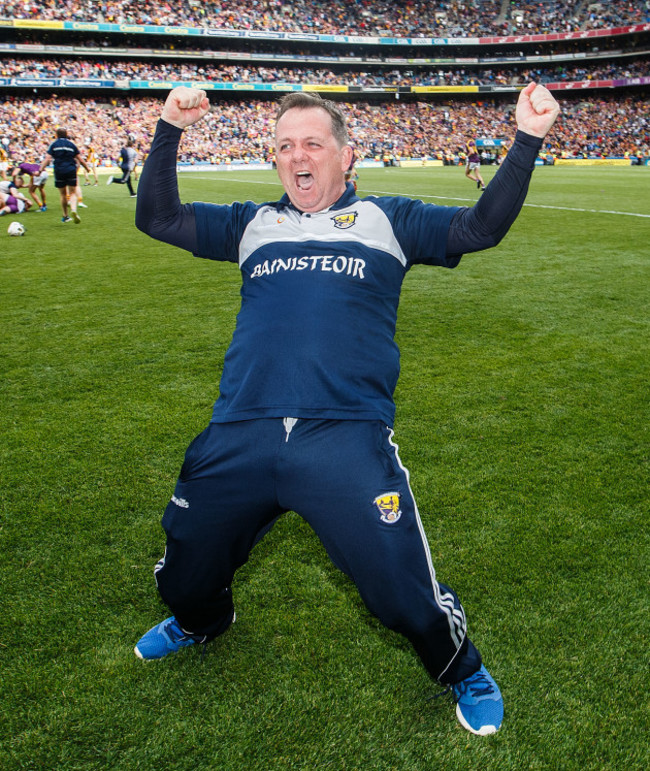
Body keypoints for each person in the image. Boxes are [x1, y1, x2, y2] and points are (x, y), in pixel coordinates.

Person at [134, 82, 559, 737]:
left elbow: (480, 226)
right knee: (185, 576)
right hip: (240, 430)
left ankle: (461, 666)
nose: (297, 156)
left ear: (346, 155)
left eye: (312, 143)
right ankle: (201, 620)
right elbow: (158, 218)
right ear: (274, 161)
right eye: (284, 147)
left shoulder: (390, 219)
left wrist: (527, 137)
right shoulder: (252, 223)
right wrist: (168, 127)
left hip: (343, 436)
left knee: (401, 594)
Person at [38, 128, 91, 223]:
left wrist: (40, 170)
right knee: (72, 193)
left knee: (63, 194)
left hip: (59, 170)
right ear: (66, 135)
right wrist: (87, 168)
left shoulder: (54, 145)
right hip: (71, 169)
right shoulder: (72, 145)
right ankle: (74, 210)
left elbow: (47, 159)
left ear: (56, 135)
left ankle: (65, 215)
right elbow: (80, 159)